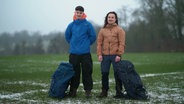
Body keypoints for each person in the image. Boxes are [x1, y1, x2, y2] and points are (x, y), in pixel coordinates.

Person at [65, 6, 96, 98]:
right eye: (77, 12)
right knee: (74, 72)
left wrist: (86, 44)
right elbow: (67, 36)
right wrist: (73, 44)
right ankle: (73, 91)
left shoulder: (88, 25)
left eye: (80, 13)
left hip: (85, 53)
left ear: (83, 14)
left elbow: (93, 36)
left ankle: (88, 91)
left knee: (87, 72)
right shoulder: (71, 25)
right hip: (74, 53)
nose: (78, 14)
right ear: (75, 13)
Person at [97, 11, 126, 98]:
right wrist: (99, 54)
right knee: (104, 73)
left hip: (115, 55)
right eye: (109, 17)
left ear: (115, 19)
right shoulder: (102, 30)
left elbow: (122, 43)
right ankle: (104, 92)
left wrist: (119, 55)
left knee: (117, 74)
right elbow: (99, 43)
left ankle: (118, 92)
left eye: (112, 17)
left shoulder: (120, 30)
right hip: (105, 55)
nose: (110, 19)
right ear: (107, 18)